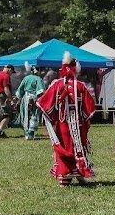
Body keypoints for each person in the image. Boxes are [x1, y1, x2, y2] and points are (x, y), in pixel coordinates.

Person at [36, 54, 96, 186]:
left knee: (65, 146)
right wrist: (84, 120)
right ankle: (78, 173)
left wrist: (52, 119)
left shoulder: (56, 84)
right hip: (77, 125)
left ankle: (65, 177)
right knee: (77, 146)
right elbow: (89, 107)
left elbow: (44, 103)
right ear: (75, 69)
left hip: (62, 124)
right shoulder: (80, 86)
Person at [16, 63, 45, 140]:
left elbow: (20, 90)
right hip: (35, 98)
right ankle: (31, 133)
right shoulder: (38, 79)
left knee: (26, 115)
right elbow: (41, 91)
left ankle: (26, 133)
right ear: (37, 71)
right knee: (34, 115)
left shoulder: (26, 78)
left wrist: (19, 99)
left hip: (25, 98)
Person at [0, 64, 15, 137]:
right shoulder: (6, 76)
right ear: (9, 69)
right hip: (1, 96)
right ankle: (0, 131)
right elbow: (6, 89)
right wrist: (11, 99)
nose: (11, 74)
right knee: (6, 115)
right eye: (12, 72)